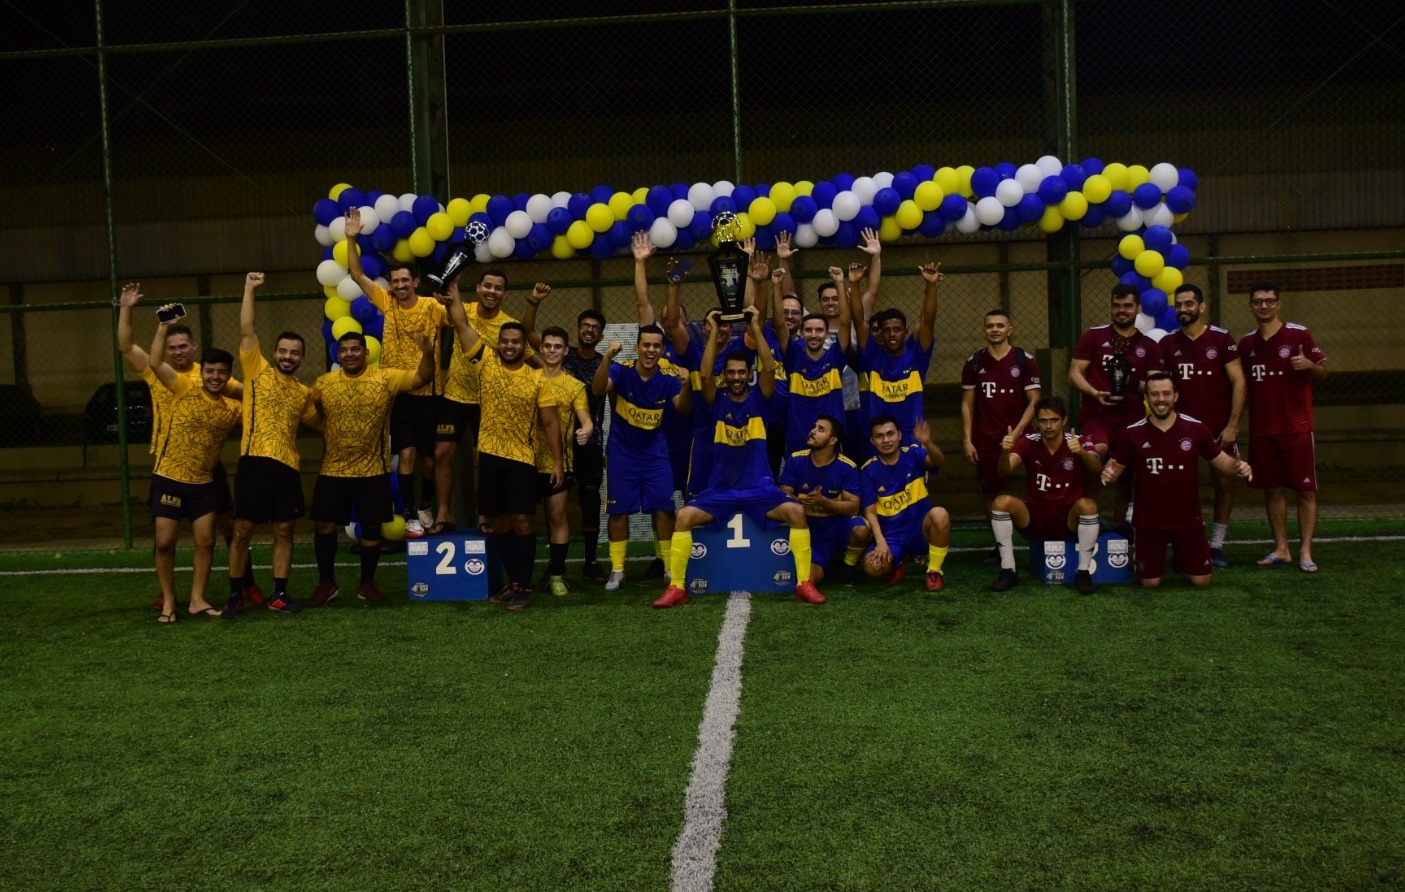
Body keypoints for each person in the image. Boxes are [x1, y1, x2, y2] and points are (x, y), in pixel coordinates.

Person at [656, 307, 825, 608]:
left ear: (749, 374)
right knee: (683, 517)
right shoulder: (714, 403)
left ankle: (803, 583)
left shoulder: (761, 399)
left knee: (797, 514)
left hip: (759, 489)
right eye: (731, 373)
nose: (735, 378)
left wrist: (756, 326)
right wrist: (711, 332)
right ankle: (677, 588)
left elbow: (770, 368)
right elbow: (705, 373)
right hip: (721, 490)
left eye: (741, 373)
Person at [117, 283, 260, 608]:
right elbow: (126, 346)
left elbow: (249, 393)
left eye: (184, 345)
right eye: (173, 347)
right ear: (166, 351)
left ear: (194, 346)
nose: (179, 351)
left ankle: (245, 583)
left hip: (207, 465)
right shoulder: (158, 374)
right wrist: (126, 307)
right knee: (165, 535)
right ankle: (165, 592)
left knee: (226, 527)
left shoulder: (210, 373)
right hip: (170, 463)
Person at [442, 283, 561, 610]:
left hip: (523, 460)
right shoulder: (486, 364)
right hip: (490, 458)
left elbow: (551, 423)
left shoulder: (538, 379)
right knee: (501, 523)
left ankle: (524, 587)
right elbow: (463, 326)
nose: (509, 346)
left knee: (523, 522)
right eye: (505, 341)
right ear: (499, 344)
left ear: (525, 347)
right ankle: (514, 582)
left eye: (516, 342)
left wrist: (558, 463)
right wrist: (453, 293)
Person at [306, 329, 435, 606]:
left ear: (366, 352)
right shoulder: (324, 383)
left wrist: (428, 352)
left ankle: (367, 583)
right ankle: (327, 583)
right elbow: (309, 412)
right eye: (344, 350)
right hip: (332, 470)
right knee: (324, 525)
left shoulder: (385, 378)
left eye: (355, 349)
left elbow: (423, 377)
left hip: (372, 470)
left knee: (372, 528)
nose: (350, 354)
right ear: (338, 355)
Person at [221, 273, 321, 618]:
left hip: (287, 467)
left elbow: (321, 424)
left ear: (301, 357)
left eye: (295, 353)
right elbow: (247, 329)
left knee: (284, 530)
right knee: (243, 531)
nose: (288, 356)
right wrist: (248, 288)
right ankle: (235, 594)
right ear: (275, 352)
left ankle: (279, 594)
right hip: (253, 462)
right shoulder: (256, 369)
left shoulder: (304, 393)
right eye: (283, 350)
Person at [344, 207, 448, 534]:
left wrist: (451, 296)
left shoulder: (433, 307)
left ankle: (426, 505)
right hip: (399, 392)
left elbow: (458, 317)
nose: (400, 285)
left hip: (431, 392)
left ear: (415, 282)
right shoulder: (386, 301)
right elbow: (357, 274)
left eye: (405, 280)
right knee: (406, 454)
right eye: (395, 281)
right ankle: (409, 513)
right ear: (390, 285)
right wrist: (350, 237)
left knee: (430, 460)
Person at [1101, 373, 1253, 587]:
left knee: (1202, 581)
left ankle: (1183, 557)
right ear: (1147, 398)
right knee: (1150, 583)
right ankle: (1143, 555)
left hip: (1187, 521)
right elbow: (1115, 468)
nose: (1160, 399)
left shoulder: (1196, 429)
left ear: (1176, 396)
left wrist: (1237, 466)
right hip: (1149, 523)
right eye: (1154, 394)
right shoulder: (1133, 433)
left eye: (1166, 394)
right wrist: (1107, 472)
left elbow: (1222, 462)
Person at [145, 309, 242, 622]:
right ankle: (170, 601)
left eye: (221, 373)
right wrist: (163, 328)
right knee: (164, 542)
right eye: (210, 371)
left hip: (203, 484)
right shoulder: (183, 388)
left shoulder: (233, 409)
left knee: (206, 541)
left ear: (228, 376)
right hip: (169, 478)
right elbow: (156, 362)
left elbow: (262, 402)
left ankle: (197, 600)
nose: (215, 377)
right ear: (202, 372)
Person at [431, 269, 538, 534]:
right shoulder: (460, 309)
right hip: (455, 395)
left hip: (488, 403)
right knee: (441, 454)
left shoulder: (508, 326)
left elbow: (530, 356)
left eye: (498, 288)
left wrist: (556, 373)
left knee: (487, 461)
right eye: (487, 286)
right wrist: (448, 292)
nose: (492, 291)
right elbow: (449, 319)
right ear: (478, 288)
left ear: (504, 293)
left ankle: (484, 515)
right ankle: (445, 512)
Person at [592, 324, 691, 592]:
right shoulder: (621, 368)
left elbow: (682, 408)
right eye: (646, 345)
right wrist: (606, 357)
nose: (651, 350)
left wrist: (687, 386)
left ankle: (669, 568)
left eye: (656, 346)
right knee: (618, 511)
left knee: (664, 509)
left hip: (656, 454)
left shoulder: (669, 376)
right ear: (637, 347)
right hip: (622, 454)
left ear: (662, 349)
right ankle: (618, 570)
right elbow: (598, 389)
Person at [1236, 283, 1327, 572]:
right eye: (1258, 302)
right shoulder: (1246, 344)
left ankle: (1306, 551)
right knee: (1272, 490)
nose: (1264, 306)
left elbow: (1324, 371)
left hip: (1297, 428)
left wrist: (1310, 366)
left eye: (1269, 301)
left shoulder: (1299, 334)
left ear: (1279, 304)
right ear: (1250, 306)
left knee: (1305, 491)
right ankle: (1281, 548)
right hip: (1263, 430)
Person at [1159, 284, 1246, 567]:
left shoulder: (1222, 339)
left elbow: (1239, 382)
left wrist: (1233, 424)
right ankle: (1182, 543)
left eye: (1189, 304)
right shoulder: (1168, 343)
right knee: (1179, 487)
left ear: (1202, 306)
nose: (1183, 309)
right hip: (1180, 430)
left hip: (1218, 427)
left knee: (1223, 482)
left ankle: (1217, 545)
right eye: (1179, 305)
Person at [1067, 283, 1166, 530]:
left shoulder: (1148, 346)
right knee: (1095, 453)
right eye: (1117, 306)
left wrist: (1132, 381)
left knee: (1126, 471)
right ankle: (1089, 519)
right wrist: (1092, 391)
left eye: (1127, 306)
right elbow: (1073, 374)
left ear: (1138, 309)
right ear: (1111, 307)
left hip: (1132, 418)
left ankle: (1121, 526)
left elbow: (1155, 387)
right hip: (1097, 414)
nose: (1122, 311)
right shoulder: (1094, 336)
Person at [988, 396, 1102, 594]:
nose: (1048, 426)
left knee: (1089, 506)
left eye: (1054, 420)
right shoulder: (1028, 442)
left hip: (1068, 519)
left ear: (1064, 420)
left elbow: (1096, 468)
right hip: (1035, 516)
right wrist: (1004, 453)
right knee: (1000, 502)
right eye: (1043, 421)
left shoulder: (1079, 441)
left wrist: (1082, 453)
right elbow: (1004, 471)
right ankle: (1008, 570)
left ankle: (1083, 573)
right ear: (1036, 422)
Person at [850, 248, 941, 457]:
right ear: (880, 333)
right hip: (878, 439)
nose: (892, 334)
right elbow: (858, 320)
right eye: (887, 330)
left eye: (897, 329)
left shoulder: (917, 356)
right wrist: (854, 285)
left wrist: (931, 285)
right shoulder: (872, 356)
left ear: (905, 332)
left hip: (911, 437)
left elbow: (928, 321)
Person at [961, 309, 1041, 528]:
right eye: (990, 326)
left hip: (1021, 436)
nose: (995, 329)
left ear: (1009, 330)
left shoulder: (1024, 360)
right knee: (990, 492)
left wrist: (1016, 434)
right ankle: (999, 545)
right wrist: (967, 439)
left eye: (1000, 325)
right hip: (985, 437)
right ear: (983, 330)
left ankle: (1039, 532)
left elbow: (1034, 401)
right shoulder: (974, 363)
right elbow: (967, 404)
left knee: (1033, 485)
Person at [858, 414, 952, 591]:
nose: (886, 440)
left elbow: (938, 461)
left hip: (920, 529)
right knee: (872, 567)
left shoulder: (914, 454)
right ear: (873, 441)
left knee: (940, 514)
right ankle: (899, 560)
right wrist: (881, 542)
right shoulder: (868, 470)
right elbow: (869, 511)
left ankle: (934, 570)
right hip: (892, 535)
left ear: (899, 435)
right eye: (880, 436)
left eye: (890, 434)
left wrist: (928, 442)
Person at [532, 326, 593, 597]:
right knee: (522, 520)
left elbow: (586, 418)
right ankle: (520, 577)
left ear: (566, 351)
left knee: (557, 517)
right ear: (541, 349)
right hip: (525, 461)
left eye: (558, 346)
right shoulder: (528, 378)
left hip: (559, 464)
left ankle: (557, 574)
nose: (552, 350)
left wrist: (587, 430)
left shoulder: (575, 386)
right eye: (548, 346)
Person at [772, 263, 852, 457]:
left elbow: (845, 322)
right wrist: (776, 286)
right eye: (808, 330)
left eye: (819, 330)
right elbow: (780, 324)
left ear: (826, 334)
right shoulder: (794, 357)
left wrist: (840, 283)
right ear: (801, 333)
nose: (814, 334)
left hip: (830, 438)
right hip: (798, 435)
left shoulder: (835, 357)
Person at [779, 415, 866, 585]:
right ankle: (827, 562)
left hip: (836, 529)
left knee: (860, 529)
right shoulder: (796, 459)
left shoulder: (847, 467)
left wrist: (823, 501)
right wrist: (801, 501)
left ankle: (848, 567)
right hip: (809, 531)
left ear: (832, 440)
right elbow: (783, 494)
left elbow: (853, 507)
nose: (812, 431)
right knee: (809, 579)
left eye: (821, 429)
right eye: (814, 427)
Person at [559, 308, 609, 581]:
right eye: (585, 326)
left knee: (590, 504)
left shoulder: (604, 363)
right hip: (560, 445)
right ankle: (557, 566)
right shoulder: (563, 358)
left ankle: (591, 561)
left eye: (595, 328)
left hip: (591, 444)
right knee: (559, 505)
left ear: (600, 335)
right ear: (578, 330)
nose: (589, 330)